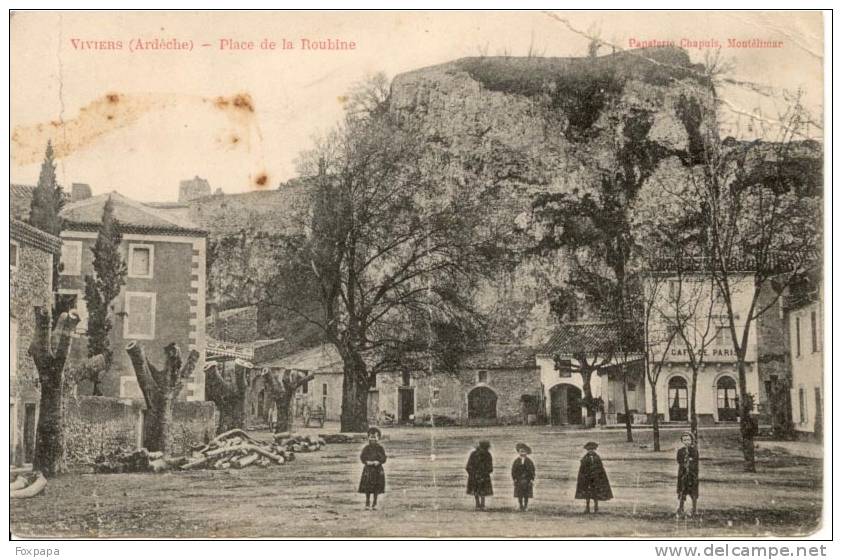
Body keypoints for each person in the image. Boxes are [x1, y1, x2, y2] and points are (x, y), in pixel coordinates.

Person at [575, 441, 613, 514]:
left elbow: (601, 469)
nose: (591, 451)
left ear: (594, 449)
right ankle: (587, 508)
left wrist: (600, 478)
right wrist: (583, 478)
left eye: (592, 449)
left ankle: (596, 508)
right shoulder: (585, 459)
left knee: (596, 494)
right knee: (587, 495)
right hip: (587, 479)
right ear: (587, 450)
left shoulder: (597, 458)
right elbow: (582, 470)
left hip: (596, 479)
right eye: (589, 449)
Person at [358, 427, 387, 510]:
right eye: (371, 437)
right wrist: (367, 462)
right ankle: (367, 502)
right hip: (368, 470)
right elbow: (362, 457)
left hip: (377, 470)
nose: (373, 439)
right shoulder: (366, 448)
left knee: (376, 487)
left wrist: (378, 462)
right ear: (368, 438)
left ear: (378, 438)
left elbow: (384, 458)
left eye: (375, 437)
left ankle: (375, 503)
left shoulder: (380, 448)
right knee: (367, 486)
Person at [676, 431, 700, 518]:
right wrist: (685, 463)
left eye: (688, 440)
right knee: (682, 491)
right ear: (682, 441)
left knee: (693, 492)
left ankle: (694, 509)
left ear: (691, 440)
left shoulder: (694, 450)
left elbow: (695, 461)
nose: (687, 442)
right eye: (685, 440)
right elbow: (679, 461)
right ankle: (681, 508)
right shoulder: (680, 451)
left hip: (692, 474)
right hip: (683, 474)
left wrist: (690, 462)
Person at [466, 440, 493, 510]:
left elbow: (490, 467)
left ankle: (481, 504)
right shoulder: (474, 454)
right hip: (475, 475)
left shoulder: (487, 455)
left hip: (482, 475)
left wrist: (485, 473)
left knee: (481, 491)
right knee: (477, 491)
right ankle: (478, 504)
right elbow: (468, 466)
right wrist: (472, 473)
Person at [511, 443, 535, 512]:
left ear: (527, 452)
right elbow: (513, 470)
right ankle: (520, 505)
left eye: (524, 451)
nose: (522, 453)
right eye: (521, 451)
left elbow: (532, 470)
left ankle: (526, 506)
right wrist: (514, 478)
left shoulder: (529, 461)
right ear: (518, 452)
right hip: (518, 480)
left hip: (527, 480)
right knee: (519, 494)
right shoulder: (516, 461)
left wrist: (532, 479)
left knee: (526, 494)